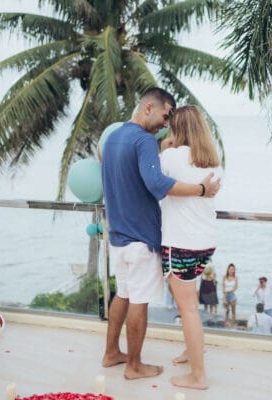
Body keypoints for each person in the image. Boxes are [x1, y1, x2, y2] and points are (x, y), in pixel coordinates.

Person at [100, 88, 221, 381]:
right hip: (141, 237)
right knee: (138, 301)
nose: (166, 124)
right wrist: (201, 190)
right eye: (165, 115)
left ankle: (111, 353)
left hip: (117, 233)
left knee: (123, 295)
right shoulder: (143, 140)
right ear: (149, 107)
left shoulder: (113, 137)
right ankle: (134, 366)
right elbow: (156, 183)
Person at [159, 104, 223, 390]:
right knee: (191, 305)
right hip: (204, 244)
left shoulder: (171, 157)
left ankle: (199, 376)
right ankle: (192, 350)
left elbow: (154, 182)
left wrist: (163, 147)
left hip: (180, 244)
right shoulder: (212, 160)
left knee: (188, 310)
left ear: (178, 129)